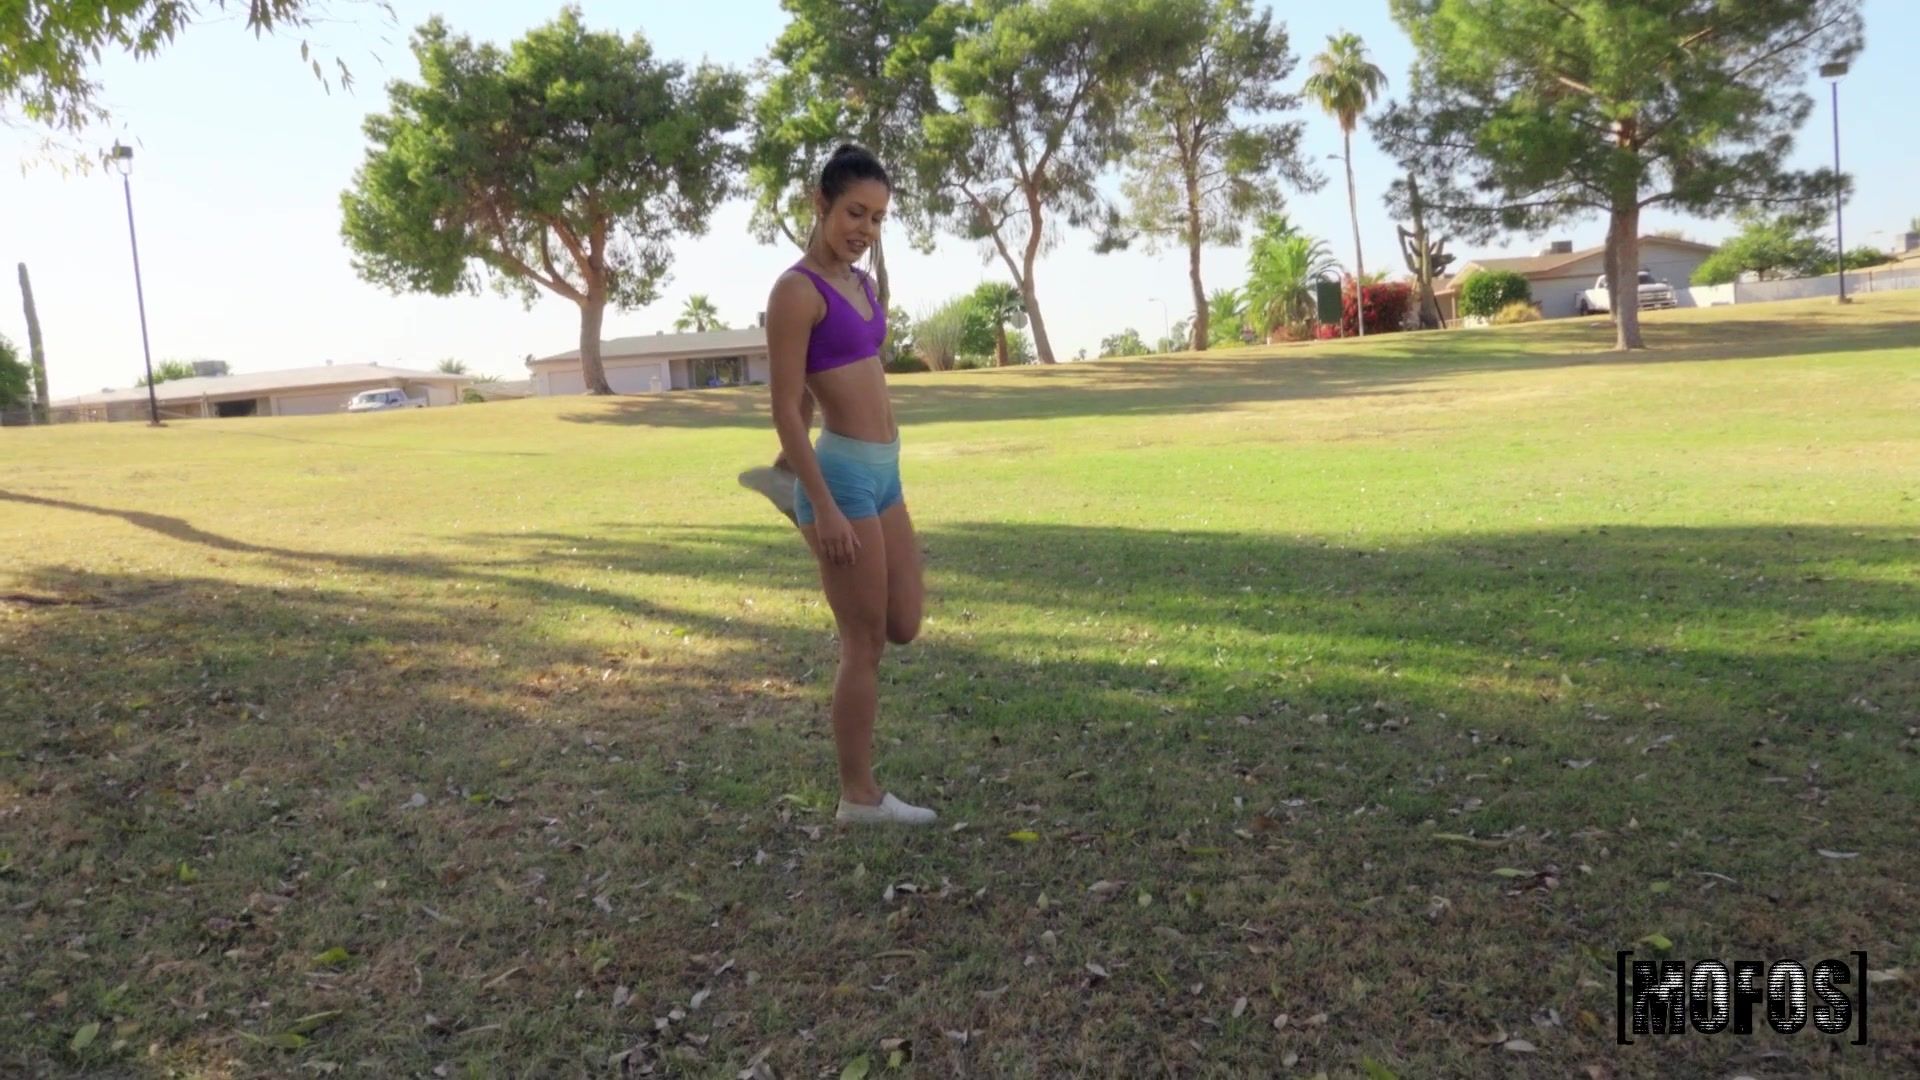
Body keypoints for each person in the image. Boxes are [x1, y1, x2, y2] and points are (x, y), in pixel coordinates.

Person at [758, 144, 935, 826]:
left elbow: (822, 385)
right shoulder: (795, 291)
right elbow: (784, 404)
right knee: (863, 643)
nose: (866, 228)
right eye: (856, 212)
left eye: (879, 218)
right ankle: (858, 797)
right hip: (842, 481)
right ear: (821, 202)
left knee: (904, 623)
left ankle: (791, 490)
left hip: (884, 473)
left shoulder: (862, 284)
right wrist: (824, 506)